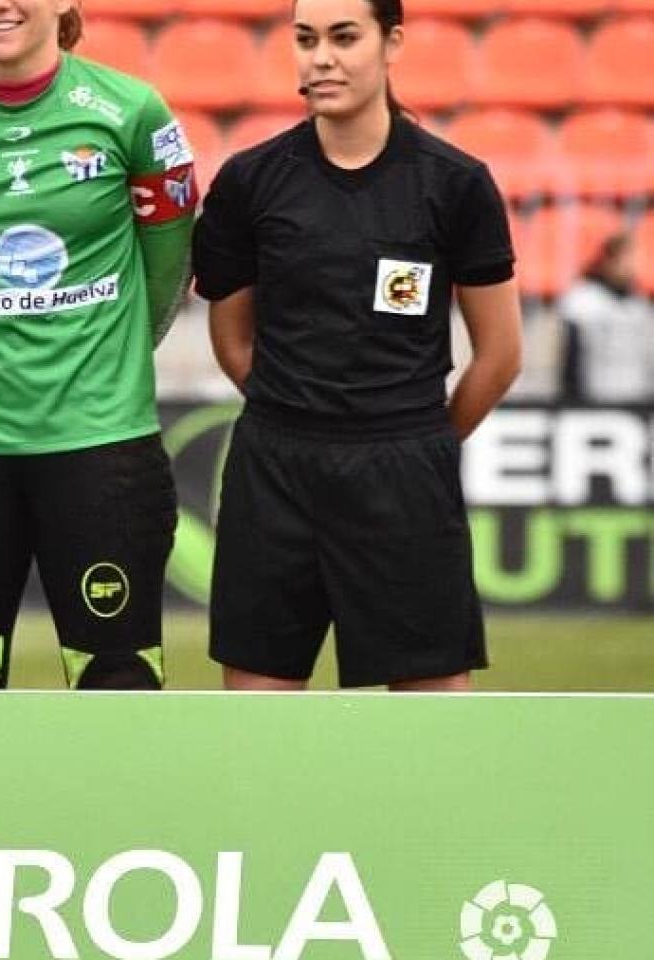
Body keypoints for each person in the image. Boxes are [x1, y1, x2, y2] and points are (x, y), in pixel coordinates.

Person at [192, 0, 523, 691]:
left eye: (345, 37)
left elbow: (499, 355)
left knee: (429, 719)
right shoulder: (251, 180)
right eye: (306, 39)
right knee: (256, 715)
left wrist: (419, 441)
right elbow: (232, 339)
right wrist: (303, 417)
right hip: (274, 470)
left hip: (405, 473)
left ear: (391, 43)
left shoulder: (453, 183)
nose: (322, 57)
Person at [0, 0, 192, 690]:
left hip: (102, 445)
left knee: (118, 678)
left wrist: (109, 365)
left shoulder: (134, 112)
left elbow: (169, 264)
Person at [557, 230, 650, 404]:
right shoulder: (582, 300)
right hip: (596, 399)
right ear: (609, 260)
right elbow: (572, 358)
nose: (631, 267)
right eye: (626, 260)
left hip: (636, 399)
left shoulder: (639, 304)